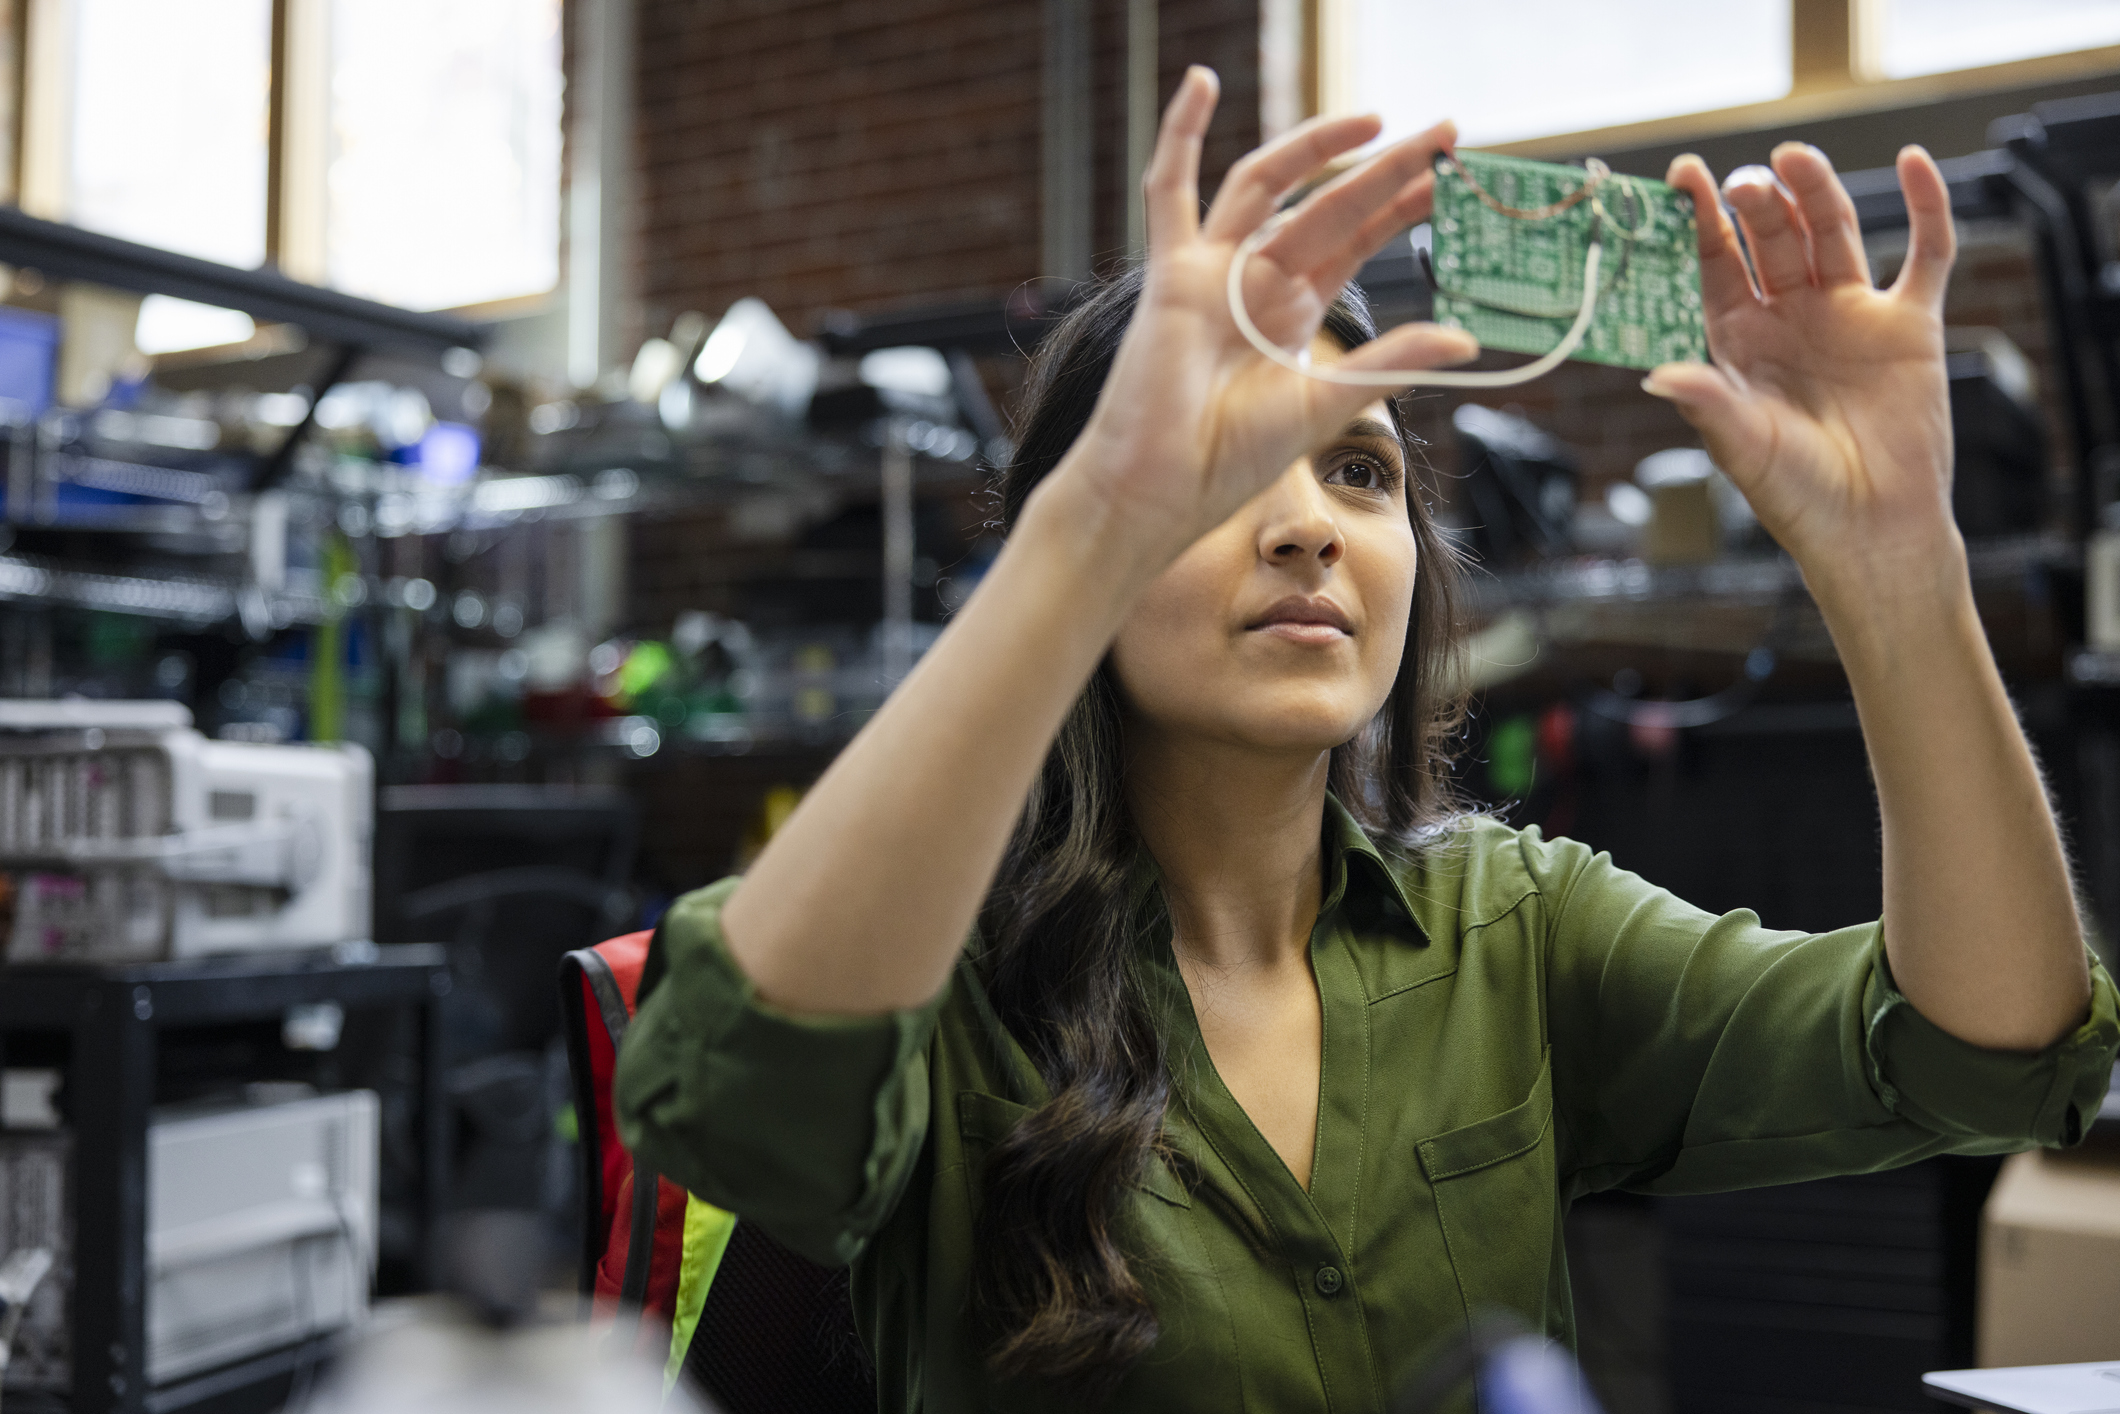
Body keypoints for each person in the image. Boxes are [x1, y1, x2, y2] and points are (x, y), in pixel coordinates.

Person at [615, 67, 2120, 1412]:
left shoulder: (1513, 931)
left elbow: (1986, 1049)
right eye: (1226, 469)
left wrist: (1900, 571)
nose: (1307, 529)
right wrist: (1080, 539)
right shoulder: (929, 968)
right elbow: (734, 1096)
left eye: (1358, 470)